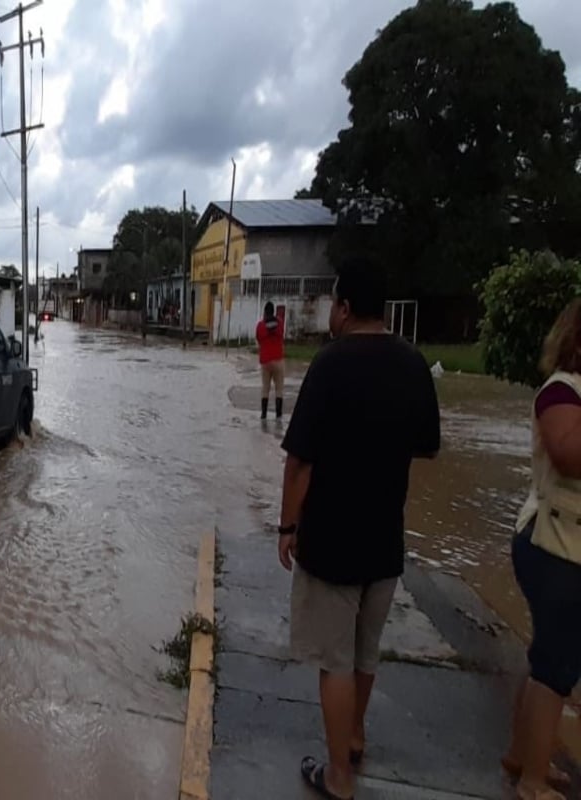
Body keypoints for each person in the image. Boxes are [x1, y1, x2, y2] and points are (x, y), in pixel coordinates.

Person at [277, 257, 440, 800]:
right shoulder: (414, 365)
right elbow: (426, 447)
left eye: (333, 304)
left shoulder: (330, 364)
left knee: (336, 662)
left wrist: (286, 527)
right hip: (385, 539)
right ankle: (355, 737)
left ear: (345, 308)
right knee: (367, 653)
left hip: (332, 540)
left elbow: (298, 461)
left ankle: (338, 776)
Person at [503, 299, 581, 800]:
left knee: (547, 659)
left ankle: (522, 754)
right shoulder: (560, 392)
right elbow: (569, 456)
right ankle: (532, 781)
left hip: (565, 546)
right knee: (556, 663)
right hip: (552, 545)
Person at [257, 301, 286, 419]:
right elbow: (281, 334)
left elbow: (258, 339)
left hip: (265, 361)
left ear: (265, 312)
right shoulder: (280, 323)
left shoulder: (260, 325)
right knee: (279, 388)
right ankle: (278, 415)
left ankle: (264, 414)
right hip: (278, 359)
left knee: (265, 388)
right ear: (273, 311)